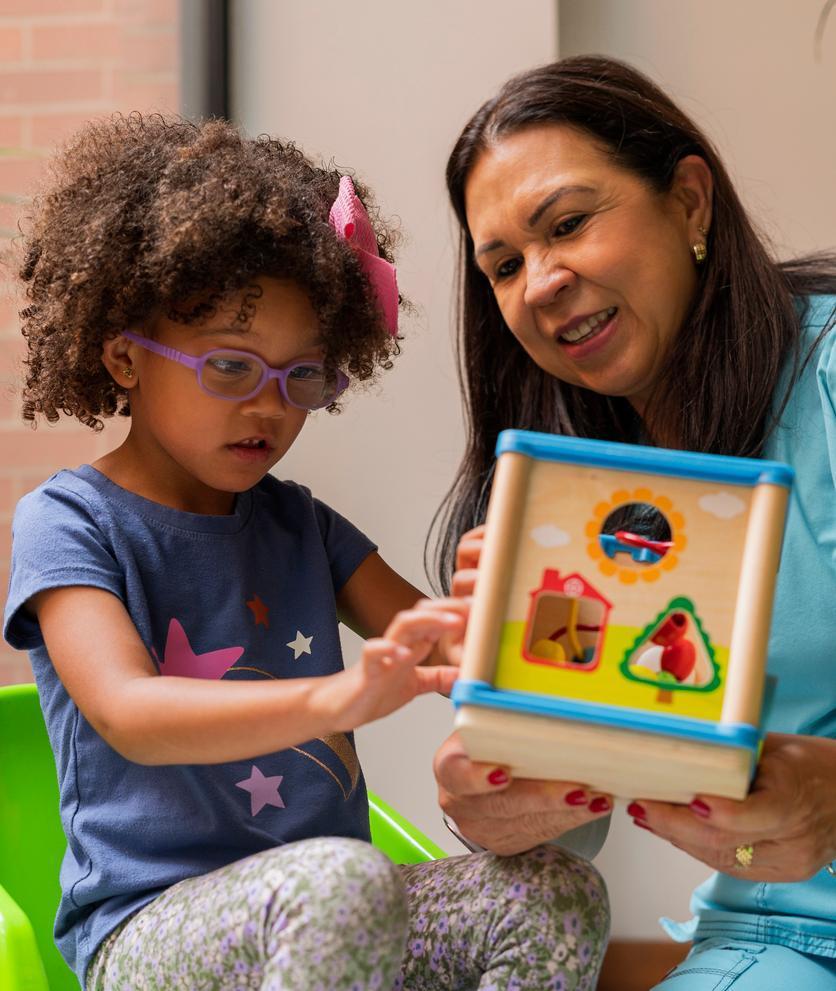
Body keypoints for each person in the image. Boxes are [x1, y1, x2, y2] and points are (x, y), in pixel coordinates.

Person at [2, 113, 609, 991]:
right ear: (124, 357)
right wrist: (337, 693)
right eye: (230, 368)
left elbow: (447, 644)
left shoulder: (300, 525)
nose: (269, 408)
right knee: (338, 878)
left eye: (302, 378)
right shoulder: (69, 521)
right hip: (151, 935)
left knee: (557, 889)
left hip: (332, 916)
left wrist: (523, 594)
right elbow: (127, 710)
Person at [429, 56, 836, 989]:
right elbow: (581, 815)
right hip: (776, 939)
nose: (537, 282)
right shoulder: (567, 496)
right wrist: (495, 781)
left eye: (567, 224)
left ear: (690, 202)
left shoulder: (827, 377)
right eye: (503, 265)